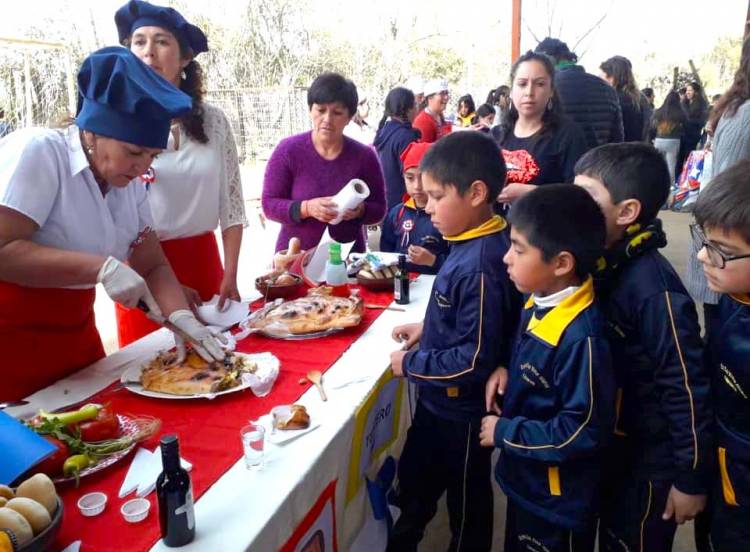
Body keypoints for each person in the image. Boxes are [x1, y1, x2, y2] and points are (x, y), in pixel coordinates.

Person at [0, 47, 226, 402]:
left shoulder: (128, 183)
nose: (142, 167)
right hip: (11, 340)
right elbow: (3, 250)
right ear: (91, 132)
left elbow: (151, 263)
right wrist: (100, 268)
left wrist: (181, 316)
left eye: (152, 156)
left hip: (76, 335)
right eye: (134, 153)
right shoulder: (40, 152)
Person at [574, 143, 712, 552]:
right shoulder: (600, 262)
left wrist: (689, 479)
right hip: (606, 446)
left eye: (587, 198)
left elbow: (686, 388)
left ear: (627, 212)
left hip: (647, 462)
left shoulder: (655, 291)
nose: (573, 205)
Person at [387, 132, 520, 552]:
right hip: (436, 403)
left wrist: (410, 366)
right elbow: (467, 318)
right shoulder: (466, 241)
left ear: (477, 193)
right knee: (416, 482)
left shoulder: (481, 263)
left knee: (468, 504)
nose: (426, 205)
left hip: (460, 411)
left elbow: (474, 359)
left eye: (437, 196)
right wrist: (428, 329)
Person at [480, 184, 615, 552]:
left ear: (561, 263)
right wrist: (507, 367)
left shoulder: (582, 340)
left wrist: (506, 431)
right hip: (529, 481)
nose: (506, 258)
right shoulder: (539, 296)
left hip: (558, 500)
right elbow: (523, 341)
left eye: (518, 249)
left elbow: (581, 430)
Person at [113, 0, 248, 347]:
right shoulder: (114, 123)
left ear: (185, 58)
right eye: (139, 41)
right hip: (140, 270)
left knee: (215, 369)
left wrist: (230, 272)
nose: (148, 52)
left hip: (204, 265)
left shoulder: (213, 121)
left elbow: (231, 204)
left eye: (161, 41)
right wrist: (154, 280)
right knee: (150, 371)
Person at [692, 162, 750, 551]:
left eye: (722, 252)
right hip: (723, 471)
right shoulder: (732, 300)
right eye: (704, 240)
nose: (701, 257)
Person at [262, 72, 386, 253]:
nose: (327, 119)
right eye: (320, 110)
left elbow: (380, 209)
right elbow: (269, 204)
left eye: (337, 112)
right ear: (311, 110)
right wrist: (307, 208)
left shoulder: (365, 156)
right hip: (295, 258)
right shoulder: (288, 150)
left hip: (347, 260)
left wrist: (361, 211)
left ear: (350, 116)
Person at [686, 37, 750, 333]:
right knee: (724, 338)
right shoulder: (746, 114)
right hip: (728, 250)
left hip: (730, 253)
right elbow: (729, 187)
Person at [491, 51, 587, 202]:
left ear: (551, 91)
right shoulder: (497, 134)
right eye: (522, 84)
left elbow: (580, 195)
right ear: (512, 91)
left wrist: (535, 192)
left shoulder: (569, 135)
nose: (529, 92)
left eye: (540, 84)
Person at [535, 37, 623, 150]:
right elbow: (617, 142)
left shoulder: (546, 87)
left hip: (556, 163)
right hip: (597, 165)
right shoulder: (608, 89)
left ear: (548, 60)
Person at [379, 141, 448, 274]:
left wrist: (433, 260)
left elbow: (458, 262)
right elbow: (385, 254)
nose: (417, 186)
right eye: (410, 178)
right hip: (401, 284)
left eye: (423, 178)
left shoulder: (447, 215)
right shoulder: (397, 213)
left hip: (434, 286)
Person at [373, 87, 420, 211]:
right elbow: (410, 173)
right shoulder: (406, 137)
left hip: (384, 199)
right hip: (400, 204)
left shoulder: (384, 131)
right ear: (408, 109)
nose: (417, 109)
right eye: (415, 105)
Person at [599, 55, 650, 142]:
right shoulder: (641, 99)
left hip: (618, 152)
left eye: (601, 78)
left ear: (612, 78)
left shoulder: (611, 99)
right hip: (639, 150)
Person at [651, 90, 688, 183]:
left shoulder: (658, 112)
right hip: (673, 141)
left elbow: (652, 126)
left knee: (658, 165)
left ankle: (656, 184)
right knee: (671, 166)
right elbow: (687, 126)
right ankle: (670, 188)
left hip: (659, 140)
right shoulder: (680, 113)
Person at [412, 79, 451, 143]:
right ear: (430, 97)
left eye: (446, 93)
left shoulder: (439, 116)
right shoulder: (423, 122)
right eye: (442, 93)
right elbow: (425, 151)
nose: (446, 97)